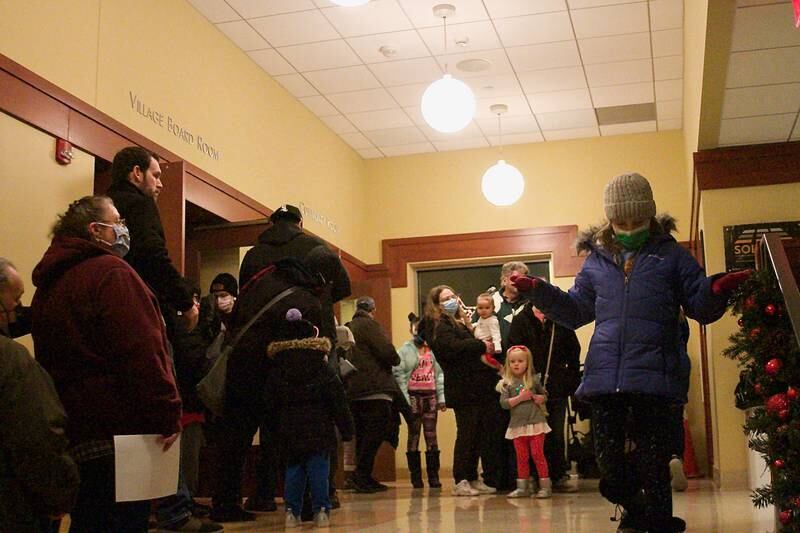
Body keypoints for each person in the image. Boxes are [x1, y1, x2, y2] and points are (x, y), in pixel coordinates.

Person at [511, 172, 750, 533]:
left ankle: (655, 522)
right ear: (609, 220)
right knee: (608, 464)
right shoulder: (596, 261)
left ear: (650, 216)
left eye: (637, 221)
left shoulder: (671, 255)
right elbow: (576, 311)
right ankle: (641, 514)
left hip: (656, 375)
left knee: (653, 464)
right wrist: (538, 291)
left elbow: (700, 305)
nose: (628, 228)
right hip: (606, 377)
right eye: (620, 222)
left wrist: (718, 288)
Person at [30, 196, 183, 532]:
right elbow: (142, 351)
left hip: (76, 432)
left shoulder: (49, 286)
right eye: (118, 221)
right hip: (122, 432)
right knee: (123, 521)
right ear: (96, 230)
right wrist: (167, 412)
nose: (123, 228)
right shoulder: (112, 274)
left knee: (90, 518)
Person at [0, 258, 79, 532]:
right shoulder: (11, 359)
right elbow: (37, 438)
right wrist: (59, 495)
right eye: (16, 299)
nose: (18, 312)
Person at [264, 309, 354, 528]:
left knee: (293, 469)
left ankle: (291, 512)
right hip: (319, 428)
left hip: (289, 428)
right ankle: (321, 510)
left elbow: (269, 404)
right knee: (319, 469)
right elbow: (337, 399)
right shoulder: (321, 367)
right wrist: (346, 428)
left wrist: (271, 429)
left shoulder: (277, 369)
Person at [106, 146, 198, 339]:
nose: (161, 184)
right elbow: (154, 258)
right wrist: (186, 303)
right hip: (139, 310)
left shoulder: (100, 206)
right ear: (137, 173)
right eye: (155, 176)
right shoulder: (141, 204)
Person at [420, 285, 500, 497]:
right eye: (445, 298)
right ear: (436, 304)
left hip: (477, 386)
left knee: (478, 434)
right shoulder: (436, 324)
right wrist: (481, 346)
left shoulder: (459, 322)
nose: (451, 300)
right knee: (467, 433)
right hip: (462, 386)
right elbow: (451, 348)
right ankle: (461, 479)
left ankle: (473, 476)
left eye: (453, 296)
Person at [507, 302, 582, 493]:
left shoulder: (560, 320)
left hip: (556, 387)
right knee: (529, 435)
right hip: (528, 388)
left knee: (555, 433)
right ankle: (531, 477)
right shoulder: (520, 320)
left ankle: (556, 476)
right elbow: (513, 351)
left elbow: (573, 351)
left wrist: (569, 382)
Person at [345, 296, 401, 493]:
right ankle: (362, 476)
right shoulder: (370, 325)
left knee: (361, 435)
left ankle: (361, 476)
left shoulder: (348, 327)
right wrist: (395, 358)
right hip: (375, 388)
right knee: (374, 434)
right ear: (373, 310)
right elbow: (389, 354)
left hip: (353, 389)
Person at [393, 313, 445, 489]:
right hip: (413, 396)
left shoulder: (433, 350)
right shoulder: (404, 350)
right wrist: (405, 400)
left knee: (431, 435)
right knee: (413, 435)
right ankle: (416, 477)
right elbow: (399, 375)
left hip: (430, 395)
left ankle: (434, 476)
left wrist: (442, 397)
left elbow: (439, 375)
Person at [497, 345, 551, 499]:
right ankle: (522, 487)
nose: (516, 364)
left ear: (527, 363)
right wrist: (520, 398)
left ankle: (545, 486)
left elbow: (544, 395)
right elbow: (504, 404)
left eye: (520, 361)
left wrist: (540, 398)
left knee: (537, 454)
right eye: (513, 361)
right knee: (521, 457)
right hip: (517, 425)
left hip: (536, 423)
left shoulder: (534, 380)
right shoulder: (507, 383)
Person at [473, 292, 502, 371]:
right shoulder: (482, 318)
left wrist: (497, 346)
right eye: (480, 308)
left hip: (489, 343)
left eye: (487, 308)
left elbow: (496, 334)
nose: (483, 311)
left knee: (485, 358)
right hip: (481, 342)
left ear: (493, 308)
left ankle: (500, 368)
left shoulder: (492, 320)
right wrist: (473, 325)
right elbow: (480, 325)